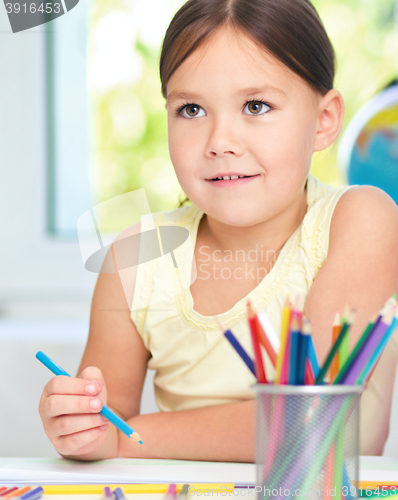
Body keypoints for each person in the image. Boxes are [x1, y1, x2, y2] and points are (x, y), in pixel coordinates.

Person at [39, 0, 398, 461]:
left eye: (256, 105)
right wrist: (78, 425)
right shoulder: (137, 258)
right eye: (191, 110)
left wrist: (124, 438)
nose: (219, 142)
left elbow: (311, 425)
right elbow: (103, 430)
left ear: (324, 121)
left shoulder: (362, 221)